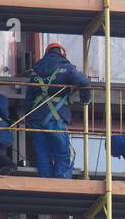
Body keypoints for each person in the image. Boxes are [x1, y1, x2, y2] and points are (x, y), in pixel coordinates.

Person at [24, 43, 90, 180]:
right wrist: (85, 100)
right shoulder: (66, 68)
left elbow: (28, 98)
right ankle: (62, 183)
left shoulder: (35, 72)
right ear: (62, 53)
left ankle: (46, 183)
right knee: (62, 153)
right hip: (56, 118)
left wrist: (28, 121)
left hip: (37, 120)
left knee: (43, 155)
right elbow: (84, 82)